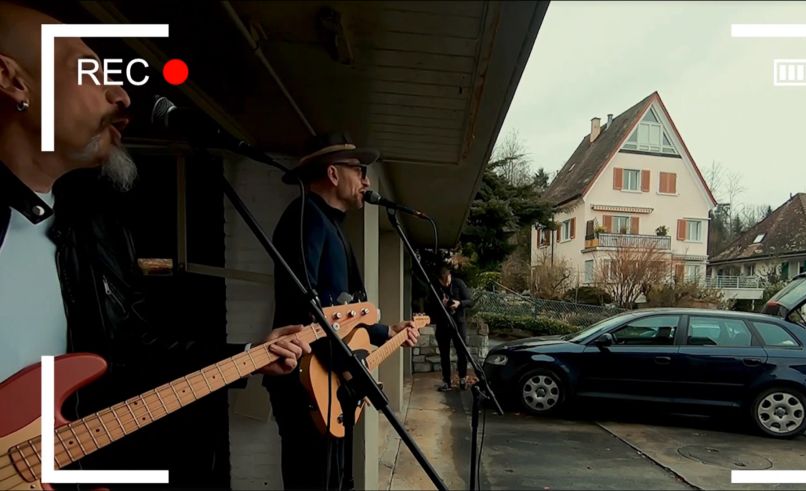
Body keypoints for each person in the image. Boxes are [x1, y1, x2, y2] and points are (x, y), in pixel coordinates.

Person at [0, 0, 312, 482]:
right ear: (13, 81)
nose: (122, 96)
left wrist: (248, 354)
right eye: (89, 71)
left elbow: (133, 354)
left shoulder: (92, 230)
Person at [267, 131, 420, 490]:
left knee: (333, 479)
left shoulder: (330, 224)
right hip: (308, 379)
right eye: (360, 169)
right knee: (313, 480)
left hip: (328, 377)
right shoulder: (305, 217)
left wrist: (386, 332)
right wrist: (351, 368)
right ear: (333, 174)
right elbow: (305, 310)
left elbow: (342, 314)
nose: (367, 180)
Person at [429, 267, 473, 391]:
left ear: (450, 275)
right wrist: (440, 305)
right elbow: (430, 305)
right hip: (442, 324)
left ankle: (463, 378)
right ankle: (446, 381)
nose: (446, 283)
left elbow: (470, 301)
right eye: (444, 282)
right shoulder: (435, 287)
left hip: (458, 323)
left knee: (461, 352)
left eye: (448, 280)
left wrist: (459, 304)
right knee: (444, 354)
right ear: (439, 279)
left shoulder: (458, 283)